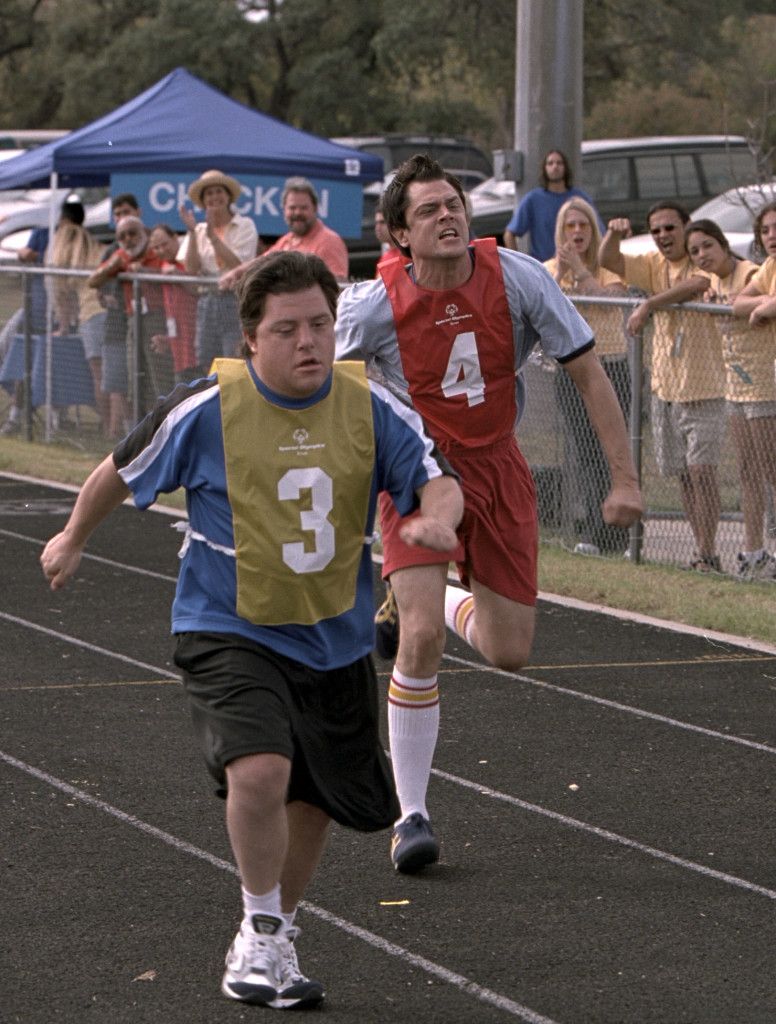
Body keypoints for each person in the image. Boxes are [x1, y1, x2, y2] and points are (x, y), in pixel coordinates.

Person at [39, 250, 463, 1008]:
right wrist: (72, 537)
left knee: (316, 798)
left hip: (332, 633)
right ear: (251, 339)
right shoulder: (207, 408)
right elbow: (118, 467)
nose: (309, 342)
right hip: (226, 623)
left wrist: (436, 518)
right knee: (261, 768)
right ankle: (261, 927)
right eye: (288, 329)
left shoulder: (371, 404)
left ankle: (275, 932)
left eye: (321, 325)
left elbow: (436, 476)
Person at [336, 154, 643, 873]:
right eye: (428, 210)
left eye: (453, 204)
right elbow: (318, 388)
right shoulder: (371, 305)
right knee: (418, 642)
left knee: (510, 652)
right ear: (399, 234)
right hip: (417, 474)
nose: (447, 216)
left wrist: (625, 480)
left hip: (500, 468)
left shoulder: (519, 276)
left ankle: (429, 596)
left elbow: (589, 373)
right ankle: (410, 816)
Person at [599, 201, 723, 572]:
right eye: (656, 230)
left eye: (670, 227)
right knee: (684, 475)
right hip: (666, 387)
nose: (663, 236)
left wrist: (648, 304)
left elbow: (699, 283)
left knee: (703, 472)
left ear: (687, 227)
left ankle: (708, 551)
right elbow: (608, 260)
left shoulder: (702, 255)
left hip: (705, 387)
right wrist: (613, 234)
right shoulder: (654, 263)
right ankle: (701, 552)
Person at [544, 196, 630, 556]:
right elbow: (542, 305)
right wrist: (562, 272)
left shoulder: (606, 267)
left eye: (583, 225)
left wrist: (580, 270)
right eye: (570, 225)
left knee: (614, 450)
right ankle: (597, 529)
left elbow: (606, 302)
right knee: (586, 452)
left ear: (593, 231)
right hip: (570, 370)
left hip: (610, 366)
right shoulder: (548, 269)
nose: (577, 231)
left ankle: (621, 534)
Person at [720, 202, 776, 580]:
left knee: (772, 470)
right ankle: (754, 551)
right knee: (749, 469)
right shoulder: (769, 267)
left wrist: (766, 306)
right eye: (766, 230)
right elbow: (737, 303)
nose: (772, 235)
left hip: (767, 385)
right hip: (747, 384)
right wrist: (763, 304)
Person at [88, 214, 172, 413]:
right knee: (136, 378)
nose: (128, 239)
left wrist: (144, 271)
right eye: (122, 236)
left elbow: (171, 274)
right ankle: (143, 425)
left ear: (144, 232)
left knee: (159, 379)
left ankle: (167, 421)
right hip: (133, 320)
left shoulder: (156, 252)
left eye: (132, 233)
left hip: (157, 320)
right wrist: (112, 266)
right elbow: (92, 281)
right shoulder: (121, 256)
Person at [178, 169, 258, 369]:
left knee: (234, 359)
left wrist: (213, 239)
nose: (214, 197)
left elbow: (239, 265)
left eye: (219, 191)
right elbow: (191, 269)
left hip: (234, 300)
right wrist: (192, 233)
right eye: (209, 193)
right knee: (206, 360)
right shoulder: (198, 230)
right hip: (206, 301)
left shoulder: (245, 225)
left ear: (228, 196)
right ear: (203, 201)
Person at [220, 177, 349, 290]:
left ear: (315, 209)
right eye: (292, 208)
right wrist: (235, 273)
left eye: (303, 208)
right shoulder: (285, 241)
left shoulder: (329, 241)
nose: (297, 213)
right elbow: (261, 262)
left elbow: (338, 288)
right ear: (284, 210)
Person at [49, 199, 110, 431]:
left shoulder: (66, 245)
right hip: (111, 314)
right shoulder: (94, 246)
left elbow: (61, 291)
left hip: (92, 315)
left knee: (100, 375)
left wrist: (64, 327)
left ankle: (109, 427)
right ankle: (116, 428)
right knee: (115, 378)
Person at [503, 149, 602, 263]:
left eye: (559, 163)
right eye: (550, 163)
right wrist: (519, 263)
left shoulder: (579, 198)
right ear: (544, 169)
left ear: (565, 167)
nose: (555, 166)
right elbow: (509, 234)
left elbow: (599, 232)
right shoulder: (533, 199)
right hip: (543, 266)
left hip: (577, 265)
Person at [0, 225, 49, 434]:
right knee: (18, 361)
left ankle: (55, 421)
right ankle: (15, 416)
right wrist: (23, 254)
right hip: (32, 311)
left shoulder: (69, 237)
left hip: (55, 315)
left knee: (55, 366)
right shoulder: (41, 232)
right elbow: (26, 254)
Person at [148, 223, 202, 385]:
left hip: (199, 350)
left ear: (175, 238)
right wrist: (168, 338)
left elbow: (199, 288)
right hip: (180, 353)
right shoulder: (164, 265)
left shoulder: (189, 260)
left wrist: (178, 274)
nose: (161, 250)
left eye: (164, 244)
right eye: (156, 248)